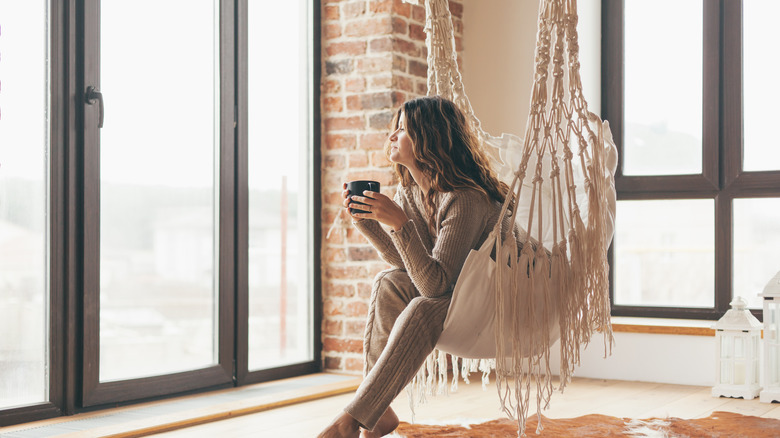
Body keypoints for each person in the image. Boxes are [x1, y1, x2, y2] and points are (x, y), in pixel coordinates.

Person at [318, 95, 514, 438]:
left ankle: (350, 421)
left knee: (423, 307)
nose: (392, 135)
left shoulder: (465, 197)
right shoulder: (412, 191)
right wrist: (370, 223)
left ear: (429, 139)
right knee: (391, 282)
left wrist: (400, 224)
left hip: (498, 296)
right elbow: (412, 266)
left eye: (403, 129)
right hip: (459, 288)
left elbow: (434, 286)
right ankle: (377, 412)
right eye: (393, 128)